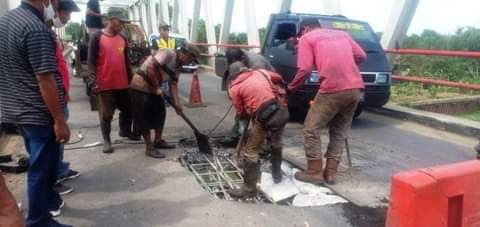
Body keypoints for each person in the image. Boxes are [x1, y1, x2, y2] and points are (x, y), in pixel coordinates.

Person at [0, 0, 71, 226]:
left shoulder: (5, 21)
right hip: (38, 113)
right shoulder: (35, 28)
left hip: (18, 109)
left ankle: (47, 205)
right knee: (42, 168)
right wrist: (59, 120)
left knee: (39, 164)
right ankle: (39, 220)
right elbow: (45, 78)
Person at [287, 18, 366, 185]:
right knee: (339, 131)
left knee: (311, 129)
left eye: (301, 32)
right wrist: (345, 65)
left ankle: (315, 171)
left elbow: (305, 68)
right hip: (355, 88)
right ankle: (330, 173)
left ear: (306, 28)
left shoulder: (307, 38)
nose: (301, 36)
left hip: (332, 88)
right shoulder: (342, 34)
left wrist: (291, 88)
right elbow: (361, 56)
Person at [227, 62, 289, 199]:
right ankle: (276, 175)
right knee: (276, 142)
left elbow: (241, 112)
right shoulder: (261, 72)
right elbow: (278, 77)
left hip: (265, 116)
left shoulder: (236, 88)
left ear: (233, 76)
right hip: (281, 110)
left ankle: (249, 189)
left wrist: (249, 110)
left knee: (250, 152)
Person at [130, 44, 200, 158]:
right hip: (141, 86)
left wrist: (177, 104)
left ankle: (158, 141)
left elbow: (173, 84)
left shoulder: (178, 66)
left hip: (154, 89)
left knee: (161, 113)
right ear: (186, 54)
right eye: (191, 59)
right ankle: (149, 147)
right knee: (144, 118)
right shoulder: (168, 53)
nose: (190, 62)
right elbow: (150, 68)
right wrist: (157, 87)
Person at [87, 9, 139, 154]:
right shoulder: (97, 36)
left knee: (129, 109)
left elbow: (126, 62)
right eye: (120, 22)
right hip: (104, 84)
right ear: (111, 20)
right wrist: (93, 81)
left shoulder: (123, 38)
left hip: (122, 83)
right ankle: (107, 141)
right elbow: (91, 62)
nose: (122, 25)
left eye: (124, 22)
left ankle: (125, 131)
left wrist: (132, 79)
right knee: (106, 115)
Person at [46, 0, 81, 201]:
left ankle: (59, 169)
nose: (68, 18)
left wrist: (65, 91)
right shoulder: (40, 32)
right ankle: (54, 179)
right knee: (54, 140)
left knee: (57, 143)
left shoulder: (50, 34)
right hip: (52, 101)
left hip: (60, 95)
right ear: (54, 10)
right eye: (66, 14)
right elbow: (45, 76)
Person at [220, 48, 276, 147]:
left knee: (260, 116)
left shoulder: (257, 63)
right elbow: (231, 78)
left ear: (242, 59)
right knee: (241, 113)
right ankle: (237, 136)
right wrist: (235, 96)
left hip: (269, 85)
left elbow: (260, 87)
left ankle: (261, 143)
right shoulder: (232, 60)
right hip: (251, 86)